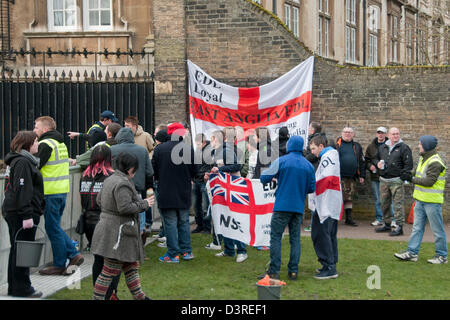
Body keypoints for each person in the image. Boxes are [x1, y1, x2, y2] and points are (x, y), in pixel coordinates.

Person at [91, 152, 154, 300]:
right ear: (130, 168)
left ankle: (140, 297)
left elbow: (99, 200)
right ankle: (97, 298)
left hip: (111, 229)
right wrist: (145, 204)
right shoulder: (123, 183)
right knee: (109, 270)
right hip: (118, 234)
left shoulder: (110, 179)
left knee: (131, 266)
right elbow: (124, 208)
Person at [259, 135, 316, 281]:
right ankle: (293, 272)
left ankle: (274, 271)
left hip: (282, 206)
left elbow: (264, 178)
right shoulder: (308, 165)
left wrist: (278, 178)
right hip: (298, 207)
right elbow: (311, 188)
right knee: (295, 239)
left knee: (276, 237)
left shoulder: (281, 161)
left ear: (289, 146)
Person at [33, 116, 84, 275]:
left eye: (36, 127)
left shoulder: (45, 144)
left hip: (50, 192)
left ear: (45, 129)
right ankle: (60, 263)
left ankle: (72, 254)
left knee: (52, 227)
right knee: (55, 226)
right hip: (61, 191)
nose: (34, 130)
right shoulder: (60, 143)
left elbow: (35, 166)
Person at [2, 131, 45, 298]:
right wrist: (27, 215)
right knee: (23, 251)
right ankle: (23, 287)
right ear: (27, 144)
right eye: (35, 141)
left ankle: (15, 286)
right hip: (21, 214)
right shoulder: (22, 162)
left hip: (16, 211)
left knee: (17, 250)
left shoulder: (19, 161)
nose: (38, 144)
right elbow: (22, 190)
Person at [394, 135, 448, 264]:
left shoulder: (435, 162)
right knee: (417, 228)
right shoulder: (424, 158)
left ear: (427, 146)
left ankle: (442, 256)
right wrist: (408, 174)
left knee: (437, 230)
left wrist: (410, 179)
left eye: (420, 144)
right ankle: (412, 253)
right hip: (420, 200)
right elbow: (419, 175)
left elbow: (429, 181)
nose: (418, 146)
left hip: (432, 202)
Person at [79, 144, 120, 299]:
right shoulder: (111, 176)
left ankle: (98, 292)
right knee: (112, 259)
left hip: (89, 222)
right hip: (106, 222)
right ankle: (109, 294)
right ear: (110, 158)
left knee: (98, 258)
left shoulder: (85, 175)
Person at [152, 122, 197, 263]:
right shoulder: (188, 149)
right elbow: (194, 171)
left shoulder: (160, 149)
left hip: (166, 190)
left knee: (170, 222)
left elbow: (154, 171)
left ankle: (173, 254)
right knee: (184, 221)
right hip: (183, 190)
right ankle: (186, 251)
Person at [205, 130, 248, 262]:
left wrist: (219, 169)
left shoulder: (226, 150)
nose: (209, 142)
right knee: (223, 218)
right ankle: (229, 250)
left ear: (215, 139)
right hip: (222, 189)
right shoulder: (216, 151)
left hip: (232, 189)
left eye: (211, 139)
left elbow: (237, 166)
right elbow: (218, 168)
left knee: (234, 219)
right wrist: (211, 174)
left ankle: (242, 251)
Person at [110, 127, 154, 246]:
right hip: (137, 189)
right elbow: (150, 172)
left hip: (116, 189)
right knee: (139, 219)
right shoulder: (142, 150)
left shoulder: (112, 149)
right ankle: (138, 245)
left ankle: (120, 244)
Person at [308, 135, 342, 279]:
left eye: (314, 149)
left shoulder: (328, 156)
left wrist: (310, 187)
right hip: (330, 202)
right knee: (328, 234)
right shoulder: (330, 156)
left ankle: (329, 266)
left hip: (327, 203)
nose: (313, 152)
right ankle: (330, 262)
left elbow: (326, 178)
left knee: (321, 234)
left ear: (321, 146)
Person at [374, 127, 413, 236]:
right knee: (384, 203)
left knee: (398, 204)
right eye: (393, 134)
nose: (396, 136)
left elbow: (408, 164)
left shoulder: (404, 147)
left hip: (396, 181)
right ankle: (386, 224)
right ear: (389, 135)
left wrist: (402, 177)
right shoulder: (383, 147)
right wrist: (377, 164)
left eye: (397, 134)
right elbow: (374, 158)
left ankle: (399, 227)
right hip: (383, 180)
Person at [124, 116, 155, 233]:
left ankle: (148, 223)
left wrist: (148, 159)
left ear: (134, 126)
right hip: (131, 173)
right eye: (125, 125)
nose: (125, 128)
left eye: (127, 126)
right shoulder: (125, 137)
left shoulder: (145, 136)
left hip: (143, 172)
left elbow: (153, 149)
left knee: (146, 198)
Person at [334, 127, 365, 227]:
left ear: (353, 134)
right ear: (342, 133)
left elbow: (362, 162)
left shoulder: (357, 146)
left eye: (350, 132)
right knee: (336, 197)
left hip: (351, 177)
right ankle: (334, 218)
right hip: (338, 177)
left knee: (349, 198)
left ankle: (348, 218)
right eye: (345, 132)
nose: (347, 134)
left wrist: (362, 175)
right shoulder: (336, 145)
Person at [365, 127, 394, 226]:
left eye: (382, 133)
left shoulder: (390, 145)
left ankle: (392, 219)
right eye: (379, 133)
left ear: (386, 134)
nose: (380, 135)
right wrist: (370, 166)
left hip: (388, 176)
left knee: (390, 199)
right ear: (377, 134)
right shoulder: (371, 147)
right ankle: (379, 218)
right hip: (375, 177)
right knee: (378, 199)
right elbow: (367, 160)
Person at [303, 121, 328, 232]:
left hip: (316, 172)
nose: (308, 130)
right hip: (317, 171)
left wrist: (305, 157)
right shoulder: (320, 138)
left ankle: (315, 225)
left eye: (309, 128)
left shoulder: (317, 141)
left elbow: (312, 156)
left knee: (315, 200)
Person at [192, 133, 212, 234]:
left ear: (203, 142)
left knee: (205, 206)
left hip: (204, 181)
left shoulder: (210, 151)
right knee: (196, 205)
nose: (196, 145)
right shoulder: (197, 151)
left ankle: (207, 227)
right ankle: (199, 225)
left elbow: (209, 167)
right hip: (196, 181)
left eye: (198, 143)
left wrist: (204, 174)